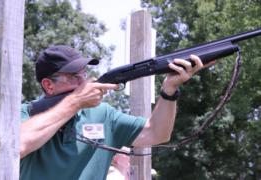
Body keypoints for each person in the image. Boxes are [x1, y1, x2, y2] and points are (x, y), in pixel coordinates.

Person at [20, 45, 207, 180]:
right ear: (48, 85)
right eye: (73, 77)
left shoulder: (103, 114)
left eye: (83, 75)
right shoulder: (24, 114)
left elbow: (157, 133)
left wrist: (169, 90)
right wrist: (75, 102)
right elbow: (17, 145)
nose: (82, 82)